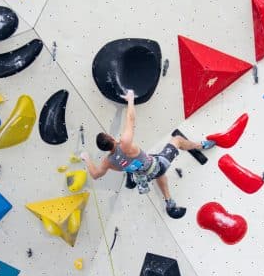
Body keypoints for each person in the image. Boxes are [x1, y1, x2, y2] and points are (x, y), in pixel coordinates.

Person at [80, 89, 215, 218]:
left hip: (143, 175)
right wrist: (131, 100)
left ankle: (169, 201)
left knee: (156, 172)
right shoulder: (125, 144)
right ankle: (200, 146)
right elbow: (131, 119)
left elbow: (96, 175)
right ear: (110, 138)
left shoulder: (108, 161)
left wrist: (86, 158)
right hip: (156, 165)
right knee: (177, 141)